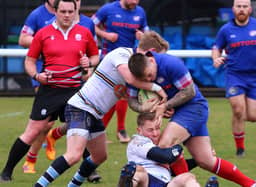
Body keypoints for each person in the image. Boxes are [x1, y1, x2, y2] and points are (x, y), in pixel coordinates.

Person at [33, 31, 168, 187]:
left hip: (95, 114)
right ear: (151, 53)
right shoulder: (123, 54)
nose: (158, 63)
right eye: (159, 58)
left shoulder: (139, 72)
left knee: (99, 156)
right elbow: (130, 79)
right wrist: (157, 88)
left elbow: (131, 99)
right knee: (74, 155)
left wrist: (151, 106)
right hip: (81, 107)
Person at [127, 53, 256, 186]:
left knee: (165, 145)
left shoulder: (171, 64)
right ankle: (252, 184)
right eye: (145, 80)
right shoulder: (134, 75)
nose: (149, 81)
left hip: (194, 107)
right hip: (179, 112)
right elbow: (132, 101)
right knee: (205, 160)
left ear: (151, 61)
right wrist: (143, 107)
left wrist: (166, 105)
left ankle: (184, 184)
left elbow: (189, 91)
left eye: (150, 75)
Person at [0, 0, 99, 182]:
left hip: (74, 90)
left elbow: (95, 55)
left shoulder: (84, 32)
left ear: (75, 10)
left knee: (81, 128)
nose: (67, 15)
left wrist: (90, 63)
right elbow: (29, 61)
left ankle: (89, 171)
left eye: (70, 11)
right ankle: (6, 171)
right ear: (55, 11)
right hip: (50, 91)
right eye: (63, 11)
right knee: (33, 131)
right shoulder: (43, 34)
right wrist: (37, 76)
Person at [211, 0, 256, 157]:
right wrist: (216, 59)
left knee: (253, 116)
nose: (241, 9)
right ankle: (240, 149)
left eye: (244, 6)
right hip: (234, 75)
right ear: (233, 9)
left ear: (250, 9)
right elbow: (216, 48)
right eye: (238, 6)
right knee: (238, 109)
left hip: (254, 76)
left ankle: (238, 117)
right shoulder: (226, 29)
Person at [92, 0, 150, 143]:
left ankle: (119, 130)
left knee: (122, 93)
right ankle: (100, 131)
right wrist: (105, 35)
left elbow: (147, 34)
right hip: (108, 59)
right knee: (107, 96)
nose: (135, 2)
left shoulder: (140, 12)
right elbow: (90, 25)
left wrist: (142, 36)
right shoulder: (108, 9)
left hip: (127, 60)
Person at [17, 0, 57, 173]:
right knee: (43, 121)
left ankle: (54, 136)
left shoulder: (71, 14)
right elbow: (23, 39)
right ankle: (30, 160)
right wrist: (44, 39)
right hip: (43, 72)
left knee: (75, 117)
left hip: (69, 73)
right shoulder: (37, 15)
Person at [118, 112, 201, 187]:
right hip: (146, 182)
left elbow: (173, 170)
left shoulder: (161, 144)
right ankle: (127, 182)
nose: (155, 134)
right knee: (138, 170)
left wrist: (197, 161)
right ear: (139, 131)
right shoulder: (137, 142)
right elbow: (164, 157)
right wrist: (177, 148)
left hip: (165, 184)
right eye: (150, 130)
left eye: (157, 128)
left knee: (188, 177)